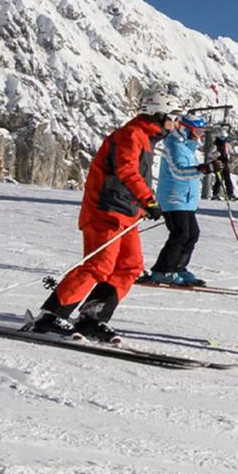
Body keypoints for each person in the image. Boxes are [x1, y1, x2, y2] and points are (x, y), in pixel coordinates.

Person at [32, 111, 167, 344]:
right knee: (99, 264)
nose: (176, 123)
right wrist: (149, 200)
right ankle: (52, 314)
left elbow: (133, 177)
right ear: (159, 112)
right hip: (105, 210)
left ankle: (92, 317)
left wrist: (142, 205)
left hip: (126, 213)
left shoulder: (146, 138)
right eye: (174, 117)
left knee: (130, 266)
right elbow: (126, 170)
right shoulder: (131, 134)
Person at [144, 114, 212, 285]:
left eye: (201, 131)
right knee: (180, 234)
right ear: (184, 129)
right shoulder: (174, 146)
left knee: (192, 234)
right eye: (197, 131)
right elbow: (179, 171)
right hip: (173, 198)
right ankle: (162, 270)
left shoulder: (187, 147)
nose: (199, 135)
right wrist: (202, 169)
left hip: (187, 199)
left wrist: (208, 167)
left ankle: (178, 267)